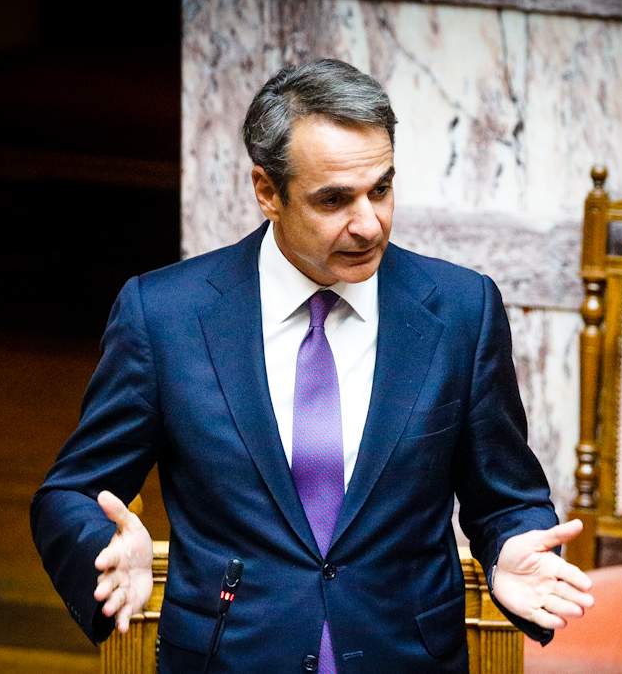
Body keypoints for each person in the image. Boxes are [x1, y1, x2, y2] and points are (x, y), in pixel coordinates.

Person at [31, 58, 593, 673]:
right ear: (267, 192)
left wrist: (513, 544)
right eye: (334, 200)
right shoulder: (165, 316)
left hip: (407, 657)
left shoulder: (462, 309)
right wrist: (101, 549)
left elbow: (504, 497)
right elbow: (71, 491)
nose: (368, 223)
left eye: (381, 189)